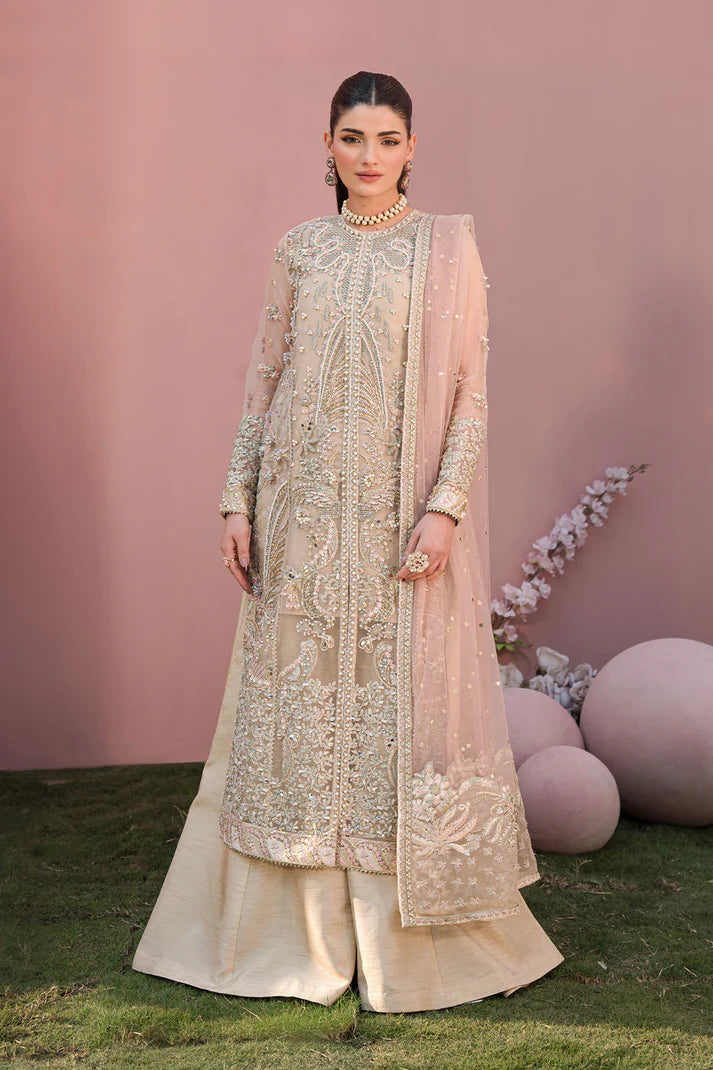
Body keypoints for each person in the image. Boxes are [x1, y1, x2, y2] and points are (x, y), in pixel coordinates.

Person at [132, 70, 564, 1014]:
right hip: (301, 516)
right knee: (297, 705)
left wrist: (444, 508)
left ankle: (393, 927)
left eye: (387, 139)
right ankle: (286, 927)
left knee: (386, 707)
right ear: (325, 146)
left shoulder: (444, 250)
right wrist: (236, 499)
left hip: (395, 519)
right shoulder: (299, 250)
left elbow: (471, 395)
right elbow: (265, 382)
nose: (369, 156)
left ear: (413, 148)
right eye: (352, 138)